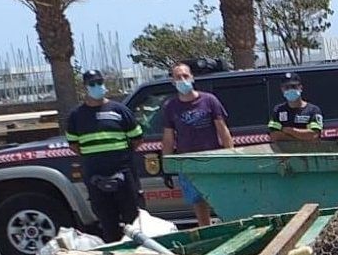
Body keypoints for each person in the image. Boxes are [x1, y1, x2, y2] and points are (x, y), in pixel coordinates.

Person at [66, 69, 145, 243]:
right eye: (92, 84)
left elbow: (136, 139)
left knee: (133, 219)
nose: (97, 87)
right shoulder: (76, 116)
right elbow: (74, 145)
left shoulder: (119, 110)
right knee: (107, 222)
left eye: (99, 83)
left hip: (123, 173)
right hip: (95, 176)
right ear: (85, 87)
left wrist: (118, 154)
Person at [159, 61, 233, 227]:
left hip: (212, 159)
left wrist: (231, 156)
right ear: (173, 81)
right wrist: (168, 166)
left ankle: (230, 227)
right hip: (188, 163)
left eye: (185, 76)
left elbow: (223, 130)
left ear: (192, 77)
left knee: (222, 200)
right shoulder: (170, 107)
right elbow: (169, 138)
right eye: (178, 77)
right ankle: (206, 229)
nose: (183, 80)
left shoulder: (209, 100)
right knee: (198, 202)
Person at [267, 71, 324, 143]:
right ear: (282, 89)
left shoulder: (313, 110)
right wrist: (302, 138)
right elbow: (274, 136)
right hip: (285, 153)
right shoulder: (278, 110)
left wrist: (289, 130)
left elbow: (314, 136)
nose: (290, 90)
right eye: (286, 87)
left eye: (293, 86)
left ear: (300, 87)